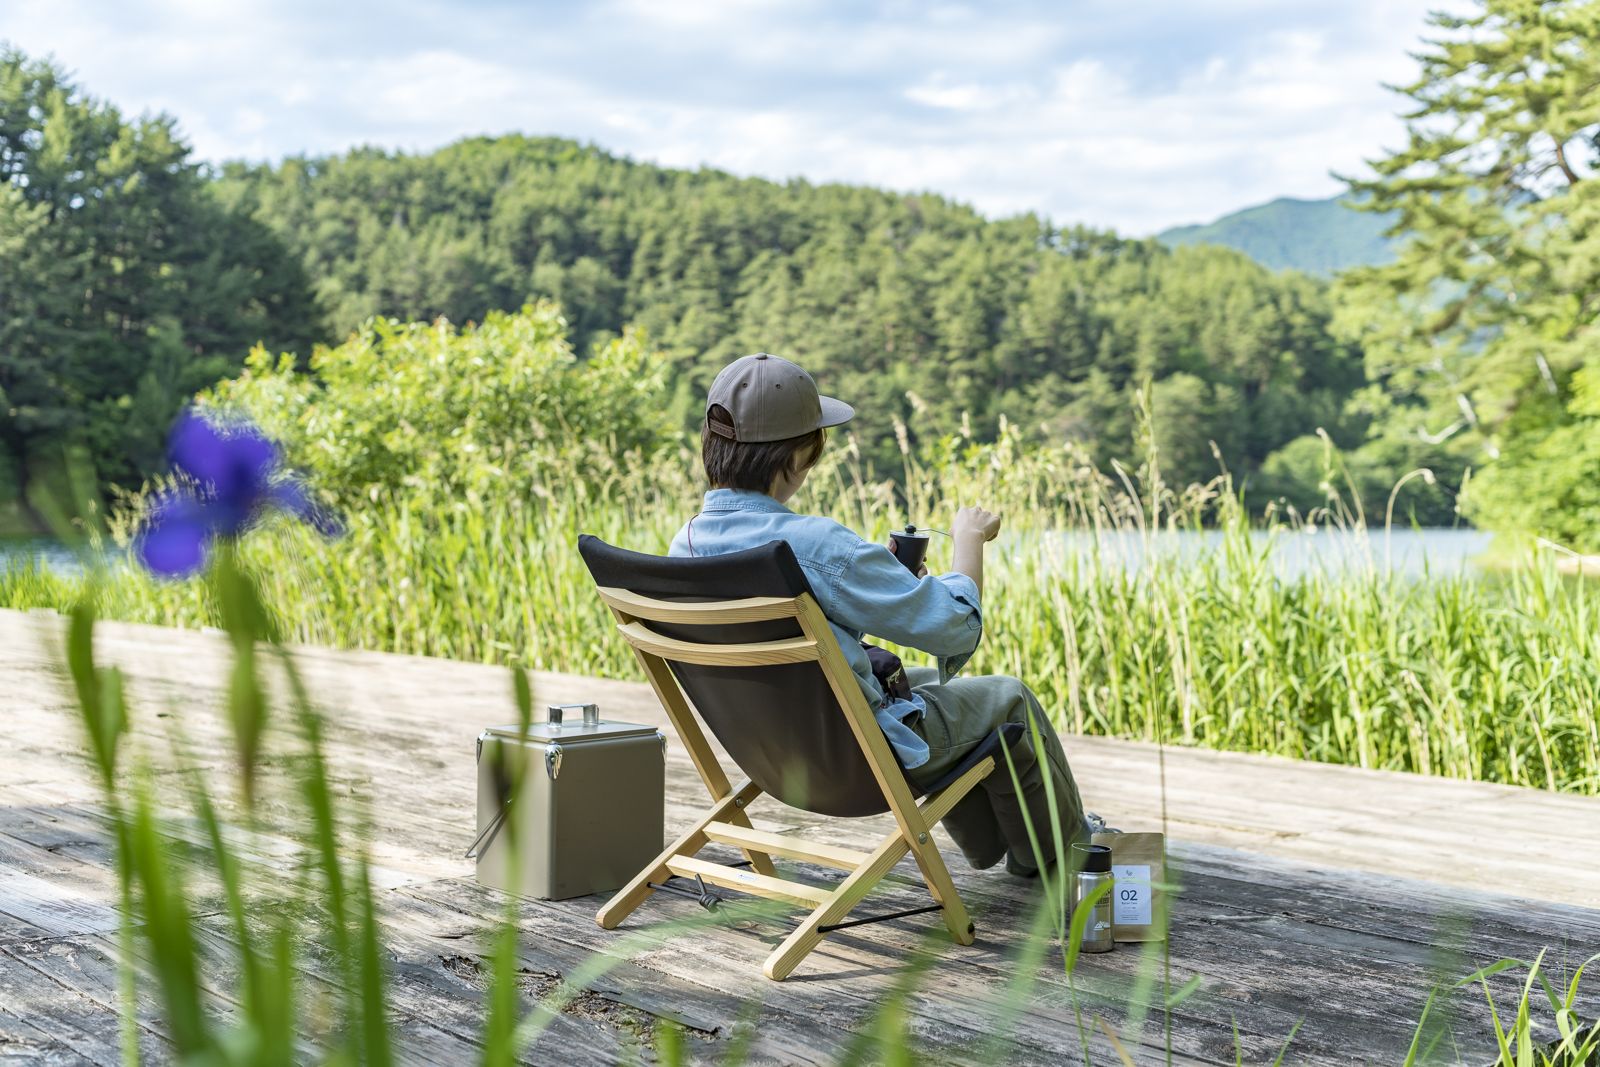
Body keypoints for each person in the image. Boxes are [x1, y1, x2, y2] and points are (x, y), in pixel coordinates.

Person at [668, 352, 1097, 877]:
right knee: (1008, 698)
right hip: (855, 764)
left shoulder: (684, 546)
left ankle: (1009, 848)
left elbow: (798, 634)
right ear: (800, 453)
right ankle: (1071, 850)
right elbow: (953, 624)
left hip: (772, 756)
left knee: (911, 682)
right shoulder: (815, 544)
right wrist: (968, 543)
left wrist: (880, 581)